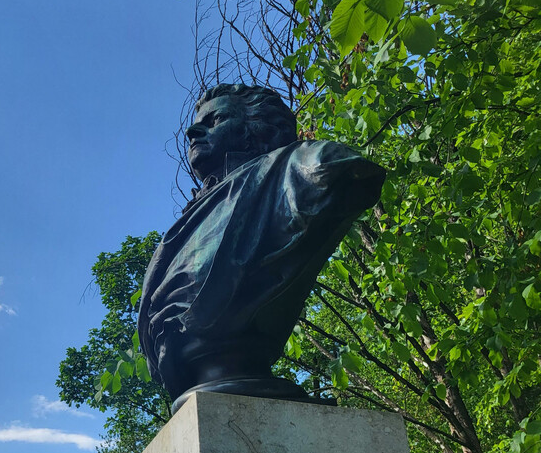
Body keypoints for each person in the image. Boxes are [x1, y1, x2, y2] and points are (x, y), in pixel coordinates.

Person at [137, 84, 385, 414]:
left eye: (217, 119)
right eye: (198, 123)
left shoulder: (301, 169)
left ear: (256, 129)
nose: (194, 130)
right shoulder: (180, 231)